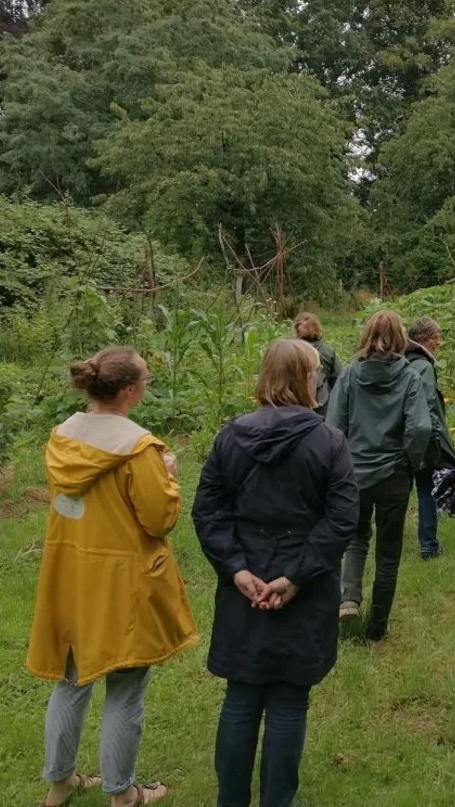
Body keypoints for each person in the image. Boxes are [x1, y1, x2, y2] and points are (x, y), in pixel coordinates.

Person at [193, 338, 359, 807]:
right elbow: (343, 518)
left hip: (254, 585)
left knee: (243, 696)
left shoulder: (232, 436)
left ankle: (233, 801)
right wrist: (292, 576)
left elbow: (208, 512)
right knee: (286, 700)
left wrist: (240, 571)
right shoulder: (329, 441)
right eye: (315, 375)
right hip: (294, 586)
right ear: (308, 381)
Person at [28, 346, 196, 807]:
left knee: (71, 679)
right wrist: (168, 478)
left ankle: (59, 784)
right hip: (123, 583)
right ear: (129, 391)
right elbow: (158, 520)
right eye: (145, 380)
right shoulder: (138, 448)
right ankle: (123, 794)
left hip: (71, 576)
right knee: (125, 687)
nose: (146, 386)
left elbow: (70, 504)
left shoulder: (63, 438)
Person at [326, 310, 431, 641]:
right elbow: (421, 426)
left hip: (353, 473)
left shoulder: (350, 375)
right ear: (400, 337)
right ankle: (377, 627)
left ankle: (349, 599)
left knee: (356, 539)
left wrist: (340, 464)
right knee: (389, 550)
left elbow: (333, 426)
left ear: (366, 335)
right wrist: (410, 460)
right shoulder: (410, 376)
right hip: (394, 476)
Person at [406, 317, 455, 559]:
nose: (439, 342)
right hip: (421, 439)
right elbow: (428, 406)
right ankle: (428, 546)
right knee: (426, 490)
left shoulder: (401, 361)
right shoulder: (424, 367)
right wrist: (438, 440)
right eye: (436, 338)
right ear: (426, 339)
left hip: (399, 438)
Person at [293, 313, 341, 417]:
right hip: (323, 406)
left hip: (294, 405)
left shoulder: (290, 351)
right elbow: (337, 381)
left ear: (297, 329)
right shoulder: (328, 352)